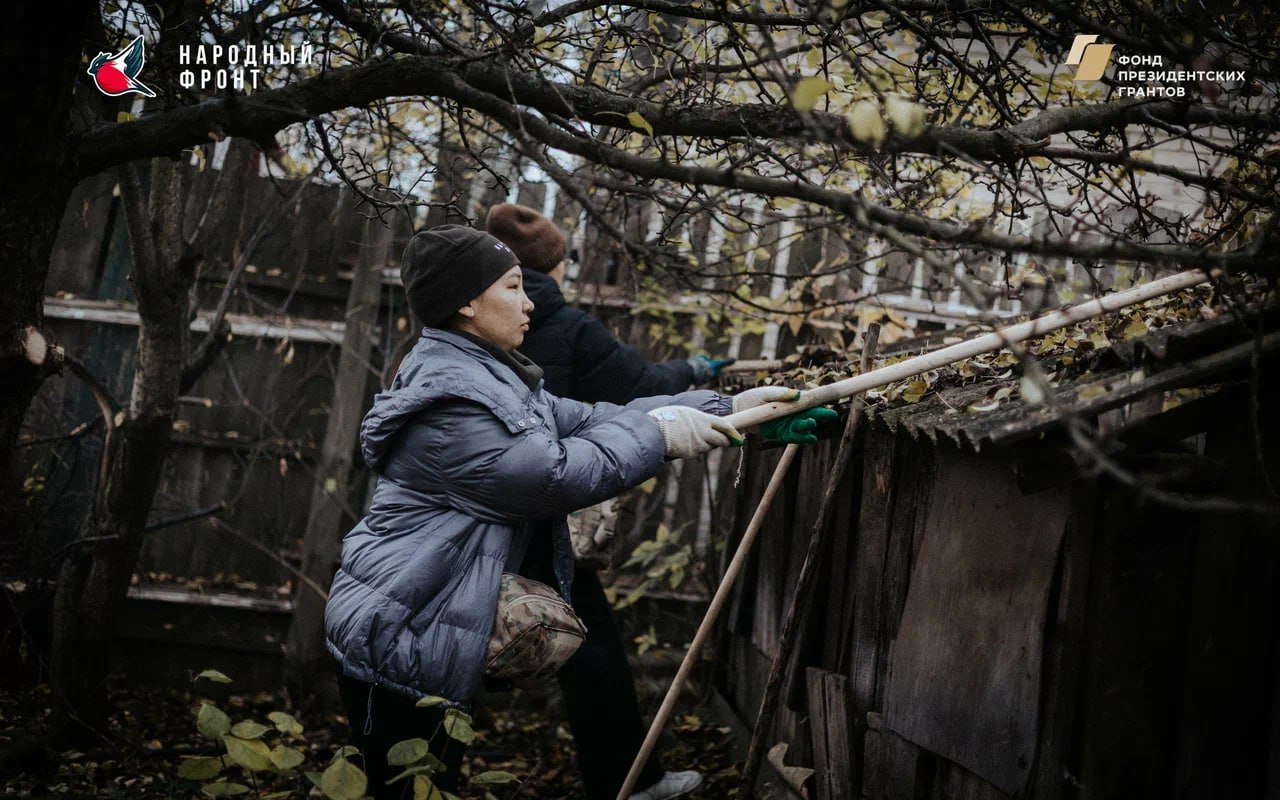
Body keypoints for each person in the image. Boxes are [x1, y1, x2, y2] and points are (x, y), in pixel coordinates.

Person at [324, 225, 830, 800]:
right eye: (513, 286)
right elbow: (553, 474)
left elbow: (593, 419)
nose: (530, 300)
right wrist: (662, 436)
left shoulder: (493, 374)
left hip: (422, 620)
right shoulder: (453, 399)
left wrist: (728, 411)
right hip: (400, 633)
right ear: (465, 302)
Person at [485, 204, 786, 800]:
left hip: (482, 512)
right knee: (588, 643)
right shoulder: (566, 328)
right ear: (557, 265)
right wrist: (698, 378)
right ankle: (628, 779)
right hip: (545, 510)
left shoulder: (469, 336)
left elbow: (583, 411)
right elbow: (639, 392)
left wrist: (719, 405)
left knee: (453, 637)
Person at [485, 203, 731, 403]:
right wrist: (693, 369)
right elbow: (641, 385)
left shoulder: (465, 312)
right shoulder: (572, 329)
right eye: (564, 262)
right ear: (551, 266)